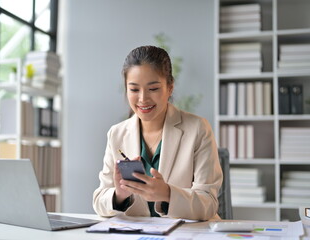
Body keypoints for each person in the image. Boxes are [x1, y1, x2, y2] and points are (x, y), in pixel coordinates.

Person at [93, 45, 222, 220]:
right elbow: (99, 201)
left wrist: (167, 194)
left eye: (153, 89)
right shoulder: (116, 134)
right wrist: (119, 195)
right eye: (134, 89)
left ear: (170, 87)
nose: (143, 98)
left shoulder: (198, 128)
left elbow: (209, 203)